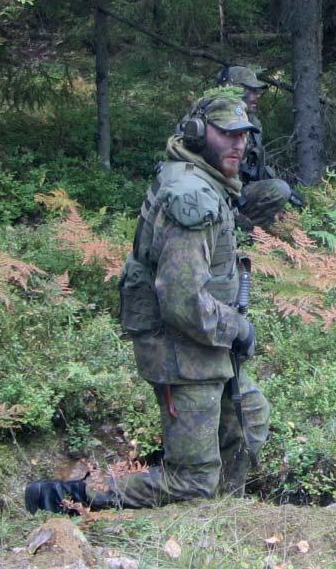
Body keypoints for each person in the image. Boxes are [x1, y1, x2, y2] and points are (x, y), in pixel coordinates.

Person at [25, 93, 270, 514]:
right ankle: (71, 497)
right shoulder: (191, 196)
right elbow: (181, 301)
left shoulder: (200, 179)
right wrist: (238, 328)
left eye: (243, 135)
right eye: (226, 133)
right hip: (181, 349)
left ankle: (224, 515)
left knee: (249, 418)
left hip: (205, 342)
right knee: (191, 479)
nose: (238, 144)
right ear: (197, 133)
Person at [216, 65, 295, 229]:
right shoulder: (214, 123)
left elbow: (256, 167)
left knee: (282, 191)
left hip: (239, 193)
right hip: (216, 197)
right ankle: (240, 232)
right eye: (249, 90)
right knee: (279, 189)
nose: (255, 95)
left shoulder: (253, 123)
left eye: (257, 90)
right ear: (232, 89)